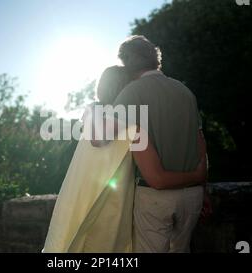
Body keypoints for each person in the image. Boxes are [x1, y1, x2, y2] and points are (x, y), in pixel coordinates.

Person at [42, 65, 208, 253]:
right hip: (110, 214)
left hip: (76, 207)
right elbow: (158, 178)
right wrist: (197, 177)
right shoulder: (133, 128)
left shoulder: (91, 121)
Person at [110, 35, 208, 252]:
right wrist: (203, 187)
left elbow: (101, 139)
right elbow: (200, 144)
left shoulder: (130, 94)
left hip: (155, 197)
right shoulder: (185, 92)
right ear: (155, 58)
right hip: (193, 196)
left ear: (126, 63)